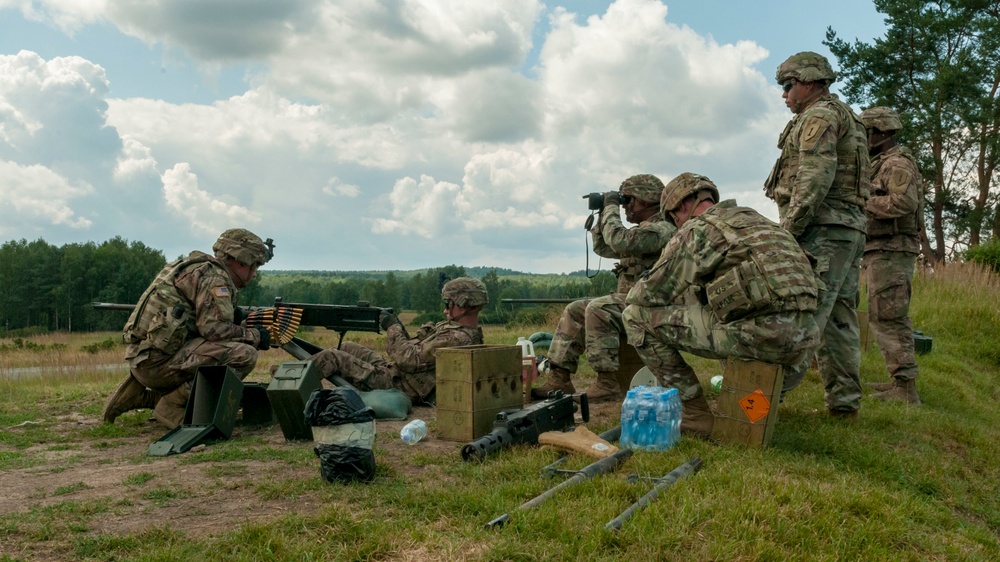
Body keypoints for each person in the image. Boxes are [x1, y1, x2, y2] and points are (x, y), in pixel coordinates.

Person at [622, 173, 821, 438]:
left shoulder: (699, 229)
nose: (677, 225)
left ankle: (696, 415)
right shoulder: (766, 225)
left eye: (674, 219)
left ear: (682, 206)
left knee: (634, 316)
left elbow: (647, 295)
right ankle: (754, 411)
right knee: (723, 309)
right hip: (803, 344)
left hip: (757, 340)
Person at [763, 51, 871, 419]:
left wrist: (788, 233)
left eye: (788, 86)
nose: (784, 95)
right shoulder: (842, 114)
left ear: (809, 83)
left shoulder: (820, 116)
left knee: (804, 317)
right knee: (839, 319)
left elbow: (814, 176)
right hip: (845, 229)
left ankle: (754, 408)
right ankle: (844, 405)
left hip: (822, 230)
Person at [104, 228, 274, 428]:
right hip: (156, 365)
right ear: (240, 261)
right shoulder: (215, 278)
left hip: (141, 359)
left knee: (228, 348)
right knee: (244, 354)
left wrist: (235, 318)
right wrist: (254, 336)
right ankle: (172, 405)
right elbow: (214, 331)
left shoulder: (191, 266)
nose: (254, 274)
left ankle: (137, 395)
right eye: (254, 266)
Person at [530, 174, 677, 403]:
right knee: (576, 309)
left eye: (628, 200)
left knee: (599, 308)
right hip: (634, 300)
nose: (625, 206)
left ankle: (607, 384)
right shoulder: (642, 230)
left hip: (657, 303)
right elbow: (605, 248)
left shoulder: (663, 229)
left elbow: (620, 241)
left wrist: (610, 207)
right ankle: (560, 377)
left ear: (647, 199)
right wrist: (602, 217)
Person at [307, 277, 486, 404]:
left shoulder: (457, 339)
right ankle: (292, 378)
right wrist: (399, 327)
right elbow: (413, 350)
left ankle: (288, 388)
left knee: (331, 357)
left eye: (448, 304)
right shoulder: (452, 329)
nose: (445, 310)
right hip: (398, 374)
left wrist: (392, 327)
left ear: (463, 304)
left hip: (400, 386)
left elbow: (409, 359)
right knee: (347, 347)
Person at [859, 106, 923, 405]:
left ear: (880, 133)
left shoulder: (896, 163)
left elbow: (903, 203)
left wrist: (864, 202)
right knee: (880, 314)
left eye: (866, 132)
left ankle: (906, 388)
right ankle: (898, 382)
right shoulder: (881, 163)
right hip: (882, 248)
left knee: (890, 316)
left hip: (893, 248)